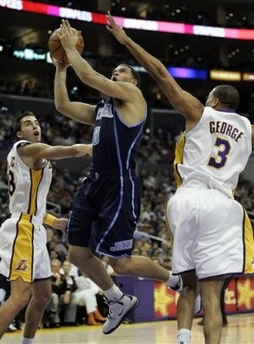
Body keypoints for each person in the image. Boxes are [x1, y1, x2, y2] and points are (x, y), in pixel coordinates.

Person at [106, 13, 254, 344]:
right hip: (222, 204)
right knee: (213, 296)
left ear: (214, 100)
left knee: (188, 285)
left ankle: (183, 339)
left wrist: (126, 40)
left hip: (186, 199)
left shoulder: (200, 112)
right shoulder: (248, 129)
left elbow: (160, 73)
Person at [53, 19, 194, 335]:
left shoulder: (133, 97)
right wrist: (60, 67)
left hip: (119, 183)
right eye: (114, 72)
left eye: (122, 72)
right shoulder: (102, 108)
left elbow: (89, 75)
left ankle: (176, 281)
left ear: (134, 82)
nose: (116, 74)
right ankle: (117, 299)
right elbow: (62, 106)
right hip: (94, 182)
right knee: (77, 253)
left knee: (122, 263)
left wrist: (68, 47)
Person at [0, 110, 92, 343]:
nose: (35, 126)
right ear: (20, 133)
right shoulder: (26, 148)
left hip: (34, 227)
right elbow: (63, 151)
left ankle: (27, 342)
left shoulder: (33, 156)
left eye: (37, 122)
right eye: (28, 123)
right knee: (19, 297)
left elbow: (32, 205)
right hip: (22, 230)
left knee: (42, 296)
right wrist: (92, 147)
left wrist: (54, 221)